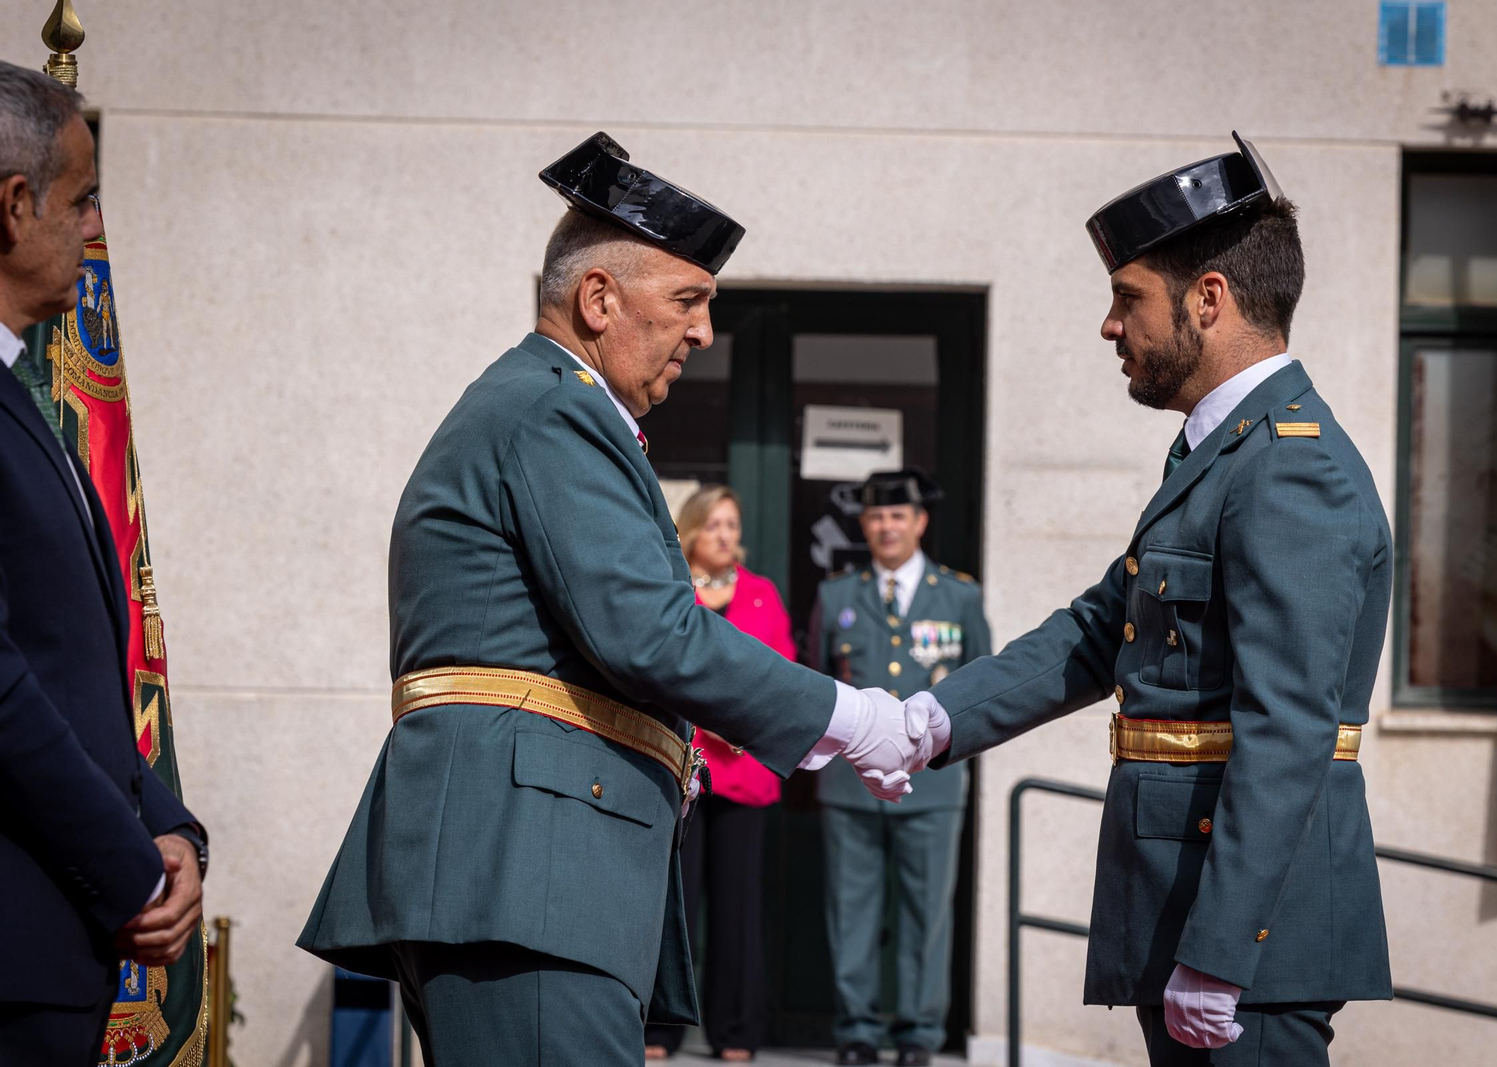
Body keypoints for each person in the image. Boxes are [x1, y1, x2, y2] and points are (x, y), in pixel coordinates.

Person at [298, 132, 936, 1065]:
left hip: (525, 870)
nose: (704, 332)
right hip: (527, 873)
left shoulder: (549, 406)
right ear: (599, 299)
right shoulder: (558, 408)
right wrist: (851, 717)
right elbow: (652, 633)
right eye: (687, 301)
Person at [910, 134, 1392, 1066]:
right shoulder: (1226, 455)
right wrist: (929, 720)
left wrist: (1218, 952)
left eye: (1128, 298)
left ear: (1208, 300)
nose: (1109, 325)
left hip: (1248, 938)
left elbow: (1288, 726)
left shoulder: (1290, 467)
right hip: (1193, 903)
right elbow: (1102, 631)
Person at [0, 61, 206, 1065]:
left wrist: (168, 827)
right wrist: (127, 866)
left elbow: (77, 664)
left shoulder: (24, 400)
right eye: (82, 198)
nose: (94, 232)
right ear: (11, 204)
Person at [808, 469, 991, 1067]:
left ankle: (918, 1034)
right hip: (847, 784)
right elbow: (816, 680)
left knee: (926, 912)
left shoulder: (960, 594)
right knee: (850, 908)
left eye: (897, 515)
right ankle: (856, 1030)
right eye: (876, 516)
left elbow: (982, 688)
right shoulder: (836, 594)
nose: (887, 526)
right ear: (864, 525)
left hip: (934, 787)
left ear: (920, 522)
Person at [644, 484, 790, 1062]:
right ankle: (660, 1030)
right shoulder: (671, 591)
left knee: (737, 912)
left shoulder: (762, 595)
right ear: (691, 532)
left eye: (733, 524)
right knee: (674, 910)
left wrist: (743, 719)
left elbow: (780, 673)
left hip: (745, 774)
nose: (725, 535)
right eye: (714, 525)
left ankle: (736, 1032)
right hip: (683, 773)